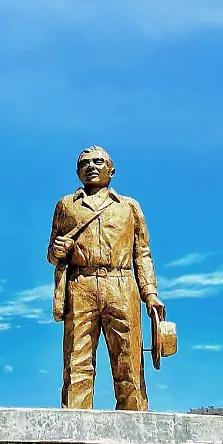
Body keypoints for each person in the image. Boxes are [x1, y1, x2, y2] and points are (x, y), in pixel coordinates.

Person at [48, 146, 165, 410]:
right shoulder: (65, 206)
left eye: (98, 162)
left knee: (129, 362)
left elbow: (142, 254)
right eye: (85, 163)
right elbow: (52, 254)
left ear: (111, 170)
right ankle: (74, 431)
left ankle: (134, 426)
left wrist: (150, 294)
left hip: (121, 283)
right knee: (77, 364)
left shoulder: (129, 206)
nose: (91, 166)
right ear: (78, 172)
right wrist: (57, 251)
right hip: (81, 284)